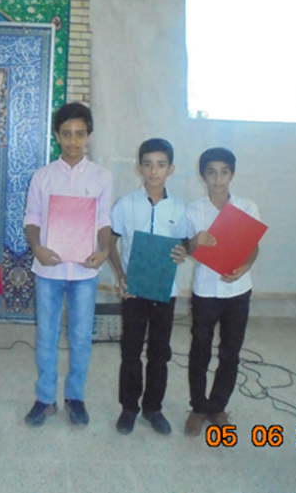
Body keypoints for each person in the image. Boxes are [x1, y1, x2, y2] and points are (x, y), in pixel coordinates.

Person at [23, 102, 113, 427]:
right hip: (48, 269)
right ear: (56, 136)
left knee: (80, 337)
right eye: (66, 134)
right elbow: (31, 218)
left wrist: (104, 250)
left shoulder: (102, 177)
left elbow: (104, 219)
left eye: (79, 134)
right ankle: (45, 399)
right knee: (46, 335)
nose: (73, 141)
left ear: (88, 136)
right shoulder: (42, 177)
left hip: (85, 270)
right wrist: (36, 247)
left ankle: (75, 397)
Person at [108, 138, 187, 435]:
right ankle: (129, 407)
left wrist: (183, 252)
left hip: (165, 291)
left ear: (171, 169)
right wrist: (120, 275)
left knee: (159, 351)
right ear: (138, 167)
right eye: (148, 164)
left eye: (161, 165)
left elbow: (184, 245)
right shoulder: (125, 204)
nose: (154, 171)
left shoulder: (179, 208)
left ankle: (153, 408)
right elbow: (110, 242)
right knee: (130, 350)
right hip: (134, 290)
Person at [183, 147, 261, 436]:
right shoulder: (193, 210)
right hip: (205, 290)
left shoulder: (247, 207)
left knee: (230, 352)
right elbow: (185, 249)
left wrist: (244, 267)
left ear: (232, 174)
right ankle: (197, 407)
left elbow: (253, 247)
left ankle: (217, 407)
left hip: (238, 291)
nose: (218, 179)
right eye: (212, 172)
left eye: (224, 172)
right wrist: (194, 242)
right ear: (203, 175)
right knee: (199, 351)